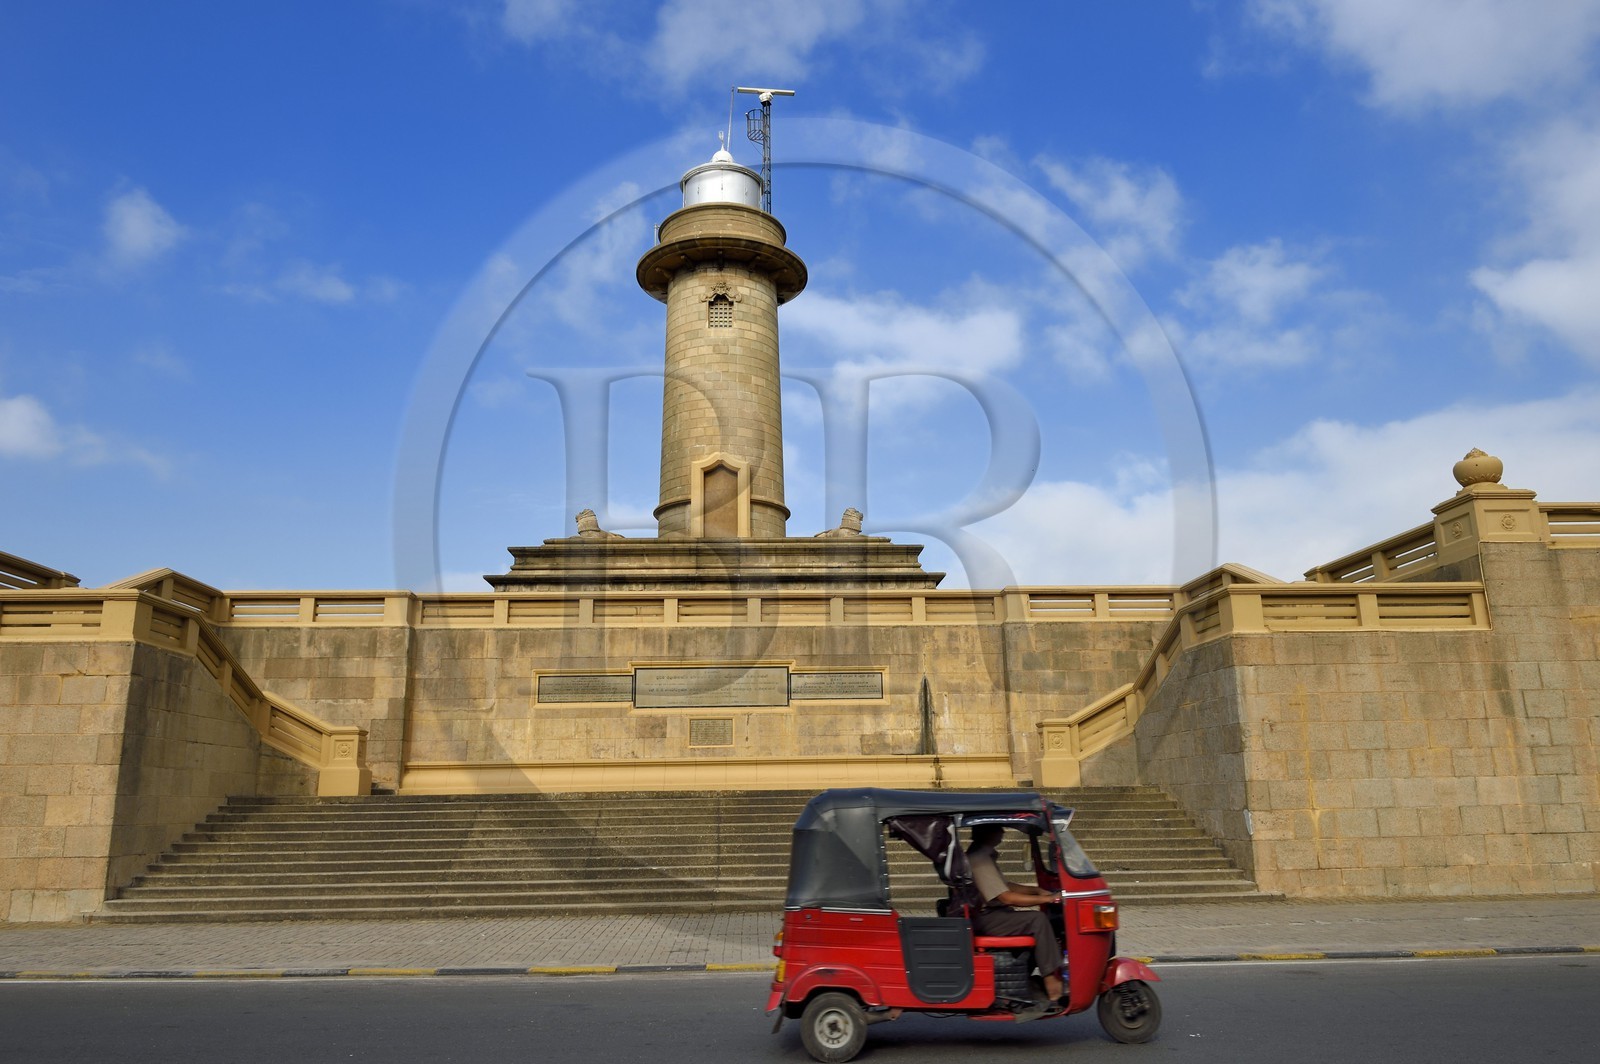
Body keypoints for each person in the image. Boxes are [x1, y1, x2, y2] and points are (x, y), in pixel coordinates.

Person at [966, 823, 1065, 1003]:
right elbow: (1007, 897)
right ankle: (1051, 981)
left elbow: (1006, 886)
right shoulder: (978, 858)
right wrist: (1047, 899)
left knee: (1035, 920)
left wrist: (1036, 891)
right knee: (1038, 920)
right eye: (998, 828)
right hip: (986, 918)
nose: (1002, 832)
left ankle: (1024, 979)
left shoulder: (983, 855)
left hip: (990, 914)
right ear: (987, 832)